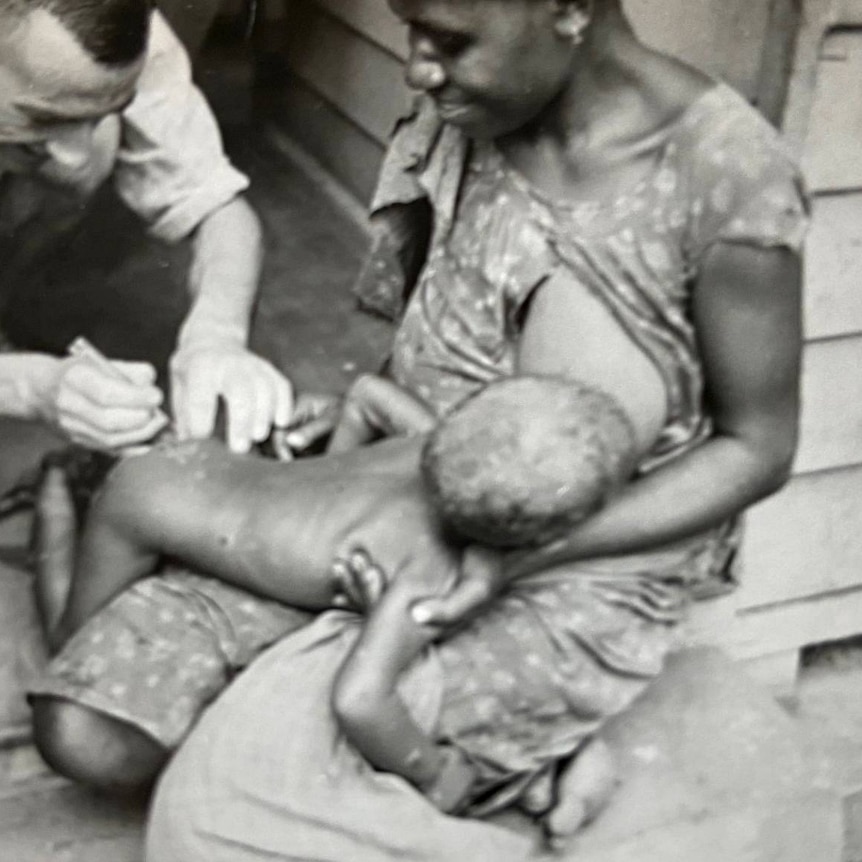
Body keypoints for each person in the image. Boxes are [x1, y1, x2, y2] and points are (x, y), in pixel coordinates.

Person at [141, 0, 808, 858]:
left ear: (568, 9)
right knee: (112, 728)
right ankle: (531, 766)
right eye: (408, 28)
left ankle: (530, 769)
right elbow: (442, 325)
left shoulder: (727, 179)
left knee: (268, 787)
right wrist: (355, 421)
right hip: (422, 485)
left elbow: (757, 449)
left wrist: (515, 557)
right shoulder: (470, 106)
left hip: (582, 556)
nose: (418, 67)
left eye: (449, 40)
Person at [35, 373, 639, 817]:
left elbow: (367, 394)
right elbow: (359, 699)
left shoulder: (427, 440)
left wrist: (337, 466)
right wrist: (431, 771)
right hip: (148, 506)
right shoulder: (428, 568)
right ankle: (55, 507)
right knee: (72, 641)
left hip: (191, 477)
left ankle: (83, 494)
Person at [0, 0, 293, 455]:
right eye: (44, 118)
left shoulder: (127, 35)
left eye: (102, 115)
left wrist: (215, 336)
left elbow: (220, 210)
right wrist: (25, 388)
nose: (77, 155)